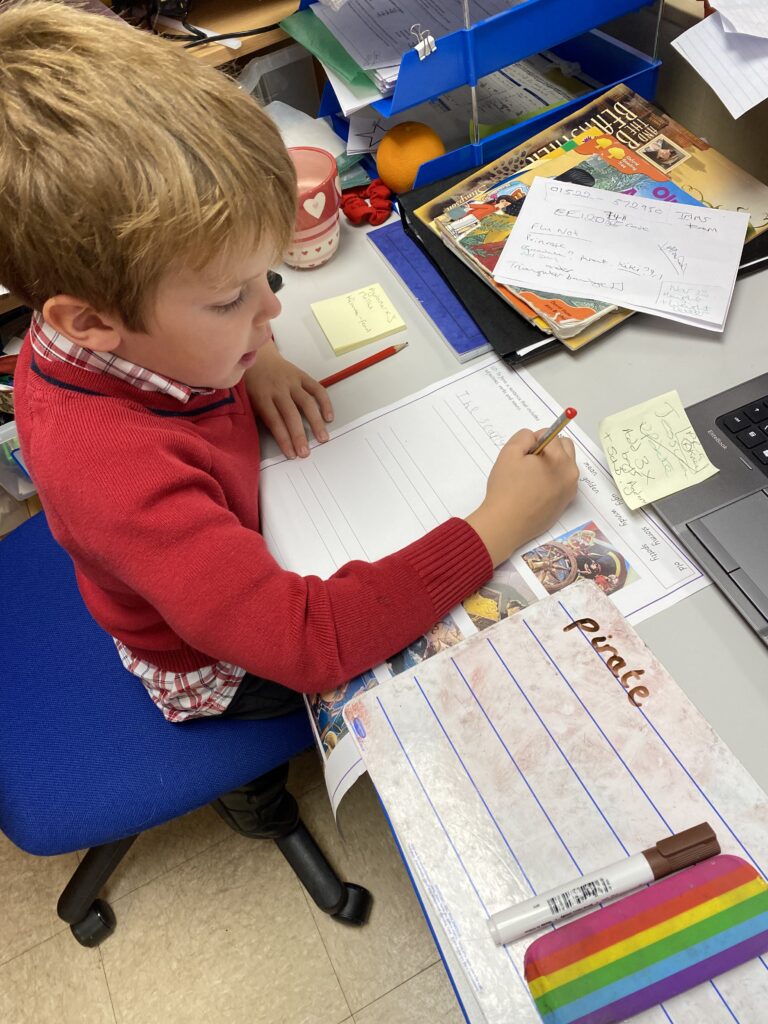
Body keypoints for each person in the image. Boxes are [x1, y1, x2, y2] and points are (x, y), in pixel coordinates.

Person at [0, 1, 579, 732]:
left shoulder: (109, 332)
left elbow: (226, 321)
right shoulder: (112, 471)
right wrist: (502, 521)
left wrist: (257, 359)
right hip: (214, 668)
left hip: (242, 529)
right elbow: (313, 643)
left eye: (263, 278)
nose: (271, 314)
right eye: (228, 302)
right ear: (89, 322)